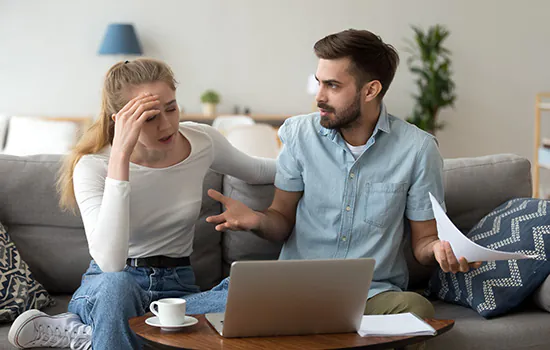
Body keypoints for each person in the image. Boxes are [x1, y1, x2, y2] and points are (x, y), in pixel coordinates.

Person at [190, 29, 482, 325]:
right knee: (189, 314)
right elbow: (280, 218)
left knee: (417, 311)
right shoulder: (299, 134)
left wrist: (439, 250)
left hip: (372, 295)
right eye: (319, 83)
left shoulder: (418, 149)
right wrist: (257, 220)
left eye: (332, 85)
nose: (319, 96)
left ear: (370, 91)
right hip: (294, 290)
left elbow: (424, 243)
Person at [8, 58, 276, 349]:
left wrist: (315, 156)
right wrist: (120, 156)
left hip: (178, 288)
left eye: (171, 108)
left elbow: (260, 170)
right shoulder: (93, 166)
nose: (167, 125)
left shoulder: (202, 141)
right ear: (120, 121)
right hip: (111, 285)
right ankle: (122, 327)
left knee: (250, 292)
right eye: (149, 117)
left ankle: (94, 333)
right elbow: (110, 263)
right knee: (118, 286)